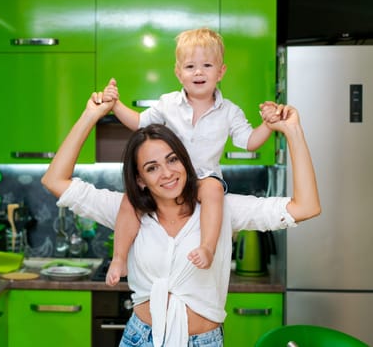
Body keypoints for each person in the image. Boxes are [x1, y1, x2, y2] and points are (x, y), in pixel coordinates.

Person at [41, 93, 320, 346]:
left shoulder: (221, 209)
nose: (167, 173)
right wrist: (91, 115)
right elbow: (55, 180)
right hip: (140, 338)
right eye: (152, 168)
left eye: (173, 160)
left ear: (185, 161)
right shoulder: (126, 209)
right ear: (140, 179)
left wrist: (292, 131)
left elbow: (306, 207)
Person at [99, 28, 280, 286]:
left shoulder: (229, 111)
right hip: (171, 179)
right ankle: (119, 258)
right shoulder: (167, 103)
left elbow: (248, 141)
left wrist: (269, 125)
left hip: (204, 178)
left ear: (221, 72)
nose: (198, 72)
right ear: (178, 72)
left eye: (207, 65)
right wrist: (115, 105)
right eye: (190, 66)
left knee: (214, 190)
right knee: (131, 200)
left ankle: (207, 247)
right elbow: (140, 123)